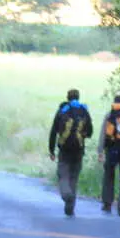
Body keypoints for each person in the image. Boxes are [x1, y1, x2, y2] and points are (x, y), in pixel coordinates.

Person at [48, 88, 93, 216]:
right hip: (78, 150)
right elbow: (90, 132)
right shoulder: (84, 111)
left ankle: (66, 195)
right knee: (74, 177)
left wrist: (51, 150)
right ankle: (70, 208)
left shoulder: (62, 110)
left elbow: (53, 131)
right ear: (78, 97)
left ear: (67, 97)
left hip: (64, 150)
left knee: (63, 175)